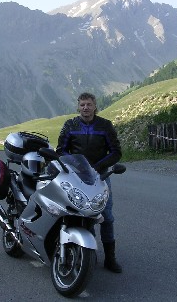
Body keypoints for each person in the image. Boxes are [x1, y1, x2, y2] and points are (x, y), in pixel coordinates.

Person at [56, 92, 123, 273]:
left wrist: (98, 167)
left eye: (89, 104)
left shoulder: (105, 125)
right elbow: (61, 150)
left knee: (106, 217)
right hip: (76, 177)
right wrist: (77, 165)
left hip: (100, 178)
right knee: (82, 215)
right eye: (82, 104)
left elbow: (116, 152)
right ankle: (88, 256)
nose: (86, 107)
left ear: (95, 106)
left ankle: (110, 259)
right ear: (78, 106)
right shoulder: (70, 125)